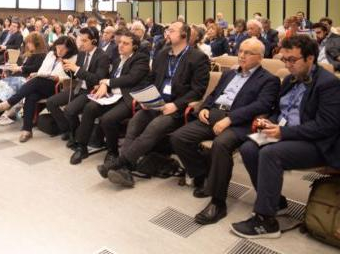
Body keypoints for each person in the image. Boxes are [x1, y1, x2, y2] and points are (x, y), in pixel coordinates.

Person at [232, 35, 340, 239]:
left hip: (316, 142)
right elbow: (278, 110)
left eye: (293, 60)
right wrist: (269, 123)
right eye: (285, 59)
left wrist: (283, 132)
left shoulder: (328, 84)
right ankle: (276, 202)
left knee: (271, 154)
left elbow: (326, 126)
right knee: (248, 147)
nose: (288, 65)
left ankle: (266, 220)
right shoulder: (289, 79)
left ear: (310, 59)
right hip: (286, 133)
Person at [170, 38, 279, 225]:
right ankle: (205, 175)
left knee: (220, 145)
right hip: (212, 115)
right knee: (178, 137)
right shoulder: (229, 73)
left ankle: (218, 202)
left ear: (260, 58)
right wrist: (204, 107)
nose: (242, 55)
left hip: (239, 122)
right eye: (241, 51)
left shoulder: (269, 79)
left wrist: (230, 119)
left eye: (248, 53)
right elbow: (213, 94)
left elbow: (261, 105)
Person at [101, 21, 210, 188]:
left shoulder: (197, 57)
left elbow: (198, 91)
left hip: (176, 109)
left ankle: (119, 163)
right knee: (135, 122)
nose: (167, 33)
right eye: (168, 30)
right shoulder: (162, 54)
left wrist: (176, 105)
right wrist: (146, 98)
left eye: (172, 30)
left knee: (154, 127)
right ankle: (125, 167)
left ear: (183, 35)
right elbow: (151, 80)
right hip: (156, 102)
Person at [0, 36, 77, 142]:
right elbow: (42, 70)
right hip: (42, 82)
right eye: (57, 48)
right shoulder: (51, 54)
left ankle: (10, 102)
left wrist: (58, 77)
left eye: (62, 49)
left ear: (69, 49)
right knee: (31, 95)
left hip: (57, 86)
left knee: (36, 82)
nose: (59, 51)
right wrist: (37, 74)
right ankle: (27, 130)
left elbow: (71, 77)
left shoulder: (73, 58)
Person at [87, 30, 151, 170]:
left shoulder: (140, 59)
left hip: (128, 98)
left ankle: (113, 152)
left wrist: (107, 82)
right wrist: (103, 84)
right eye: (120, 42)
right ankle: (86, 142)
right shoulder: (117, 59)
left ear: (134, 46)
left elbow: (131, 79)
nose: (120, 46)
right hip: (113, 96)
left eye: (125, 43)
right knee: (90, 107)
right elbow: (111, 78)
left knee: (107, 119)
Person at [44, 28, 109, 163]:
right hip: (78, 87)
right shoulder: (82, 54)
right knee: (51, 102)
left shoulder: (102, 56)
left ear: (94, 41)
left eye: (85, 41)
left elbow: (98, 79)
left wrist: (77, 69)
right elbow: (75, 76)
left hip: (90, 91)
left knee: (69, 110)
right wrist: (68, 69)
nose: (82, 43)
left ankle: (77, 137)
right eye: (81, 40)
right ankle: (69, 131)